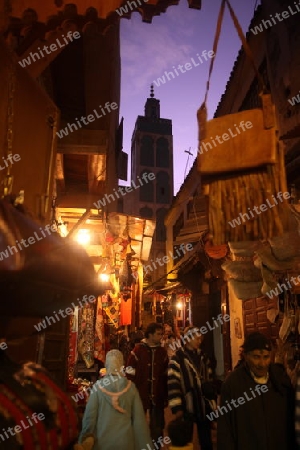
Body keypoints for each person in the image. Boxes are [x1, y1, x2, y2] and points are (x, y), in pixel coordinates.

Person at [217, 332, 295, 450]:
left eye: (266, 357)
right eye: (256, 357)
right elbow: (225, 430)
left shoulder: (280, 381)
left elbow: (290, 423)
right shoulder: (232, 385)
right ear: (246, 356)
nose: (262, 364)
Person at [78, 350, 153, 450]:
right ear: (121, 364)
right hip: (126, 442)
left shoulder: (98, 388)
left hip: (102, 443)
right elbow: (139, 421)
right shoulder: (131, 388)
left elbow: (89, 418)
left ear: (107, 364)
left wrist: (84, 440)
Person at [168, 326, 214, 450]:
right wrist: (177, 407)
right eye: (196, 338)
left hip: (203, 405)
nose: (199, 341)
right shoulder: (177, 359)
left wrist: (212, 403)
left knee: (206, 439)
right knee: (185, 439)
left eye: (200, 338)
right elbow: (173, 384)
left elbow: (209, 379)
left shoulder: (204, 357)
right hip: (186, 405)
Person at [127, 322, 168, 442]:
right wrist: (133, 387)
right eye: (158, 334)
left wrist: (165, 394)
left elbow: (165, 373)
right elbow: (129, 370)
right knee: (138, 425)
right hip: (140, 394)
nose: (161, 337)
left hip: (158, 396)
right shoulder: (138, 351)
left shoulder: (162, 352)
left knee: (157, 427)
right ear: (150, 335)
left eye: (162, 334)